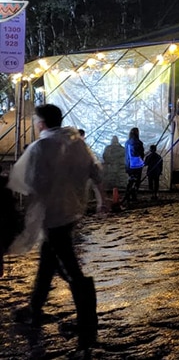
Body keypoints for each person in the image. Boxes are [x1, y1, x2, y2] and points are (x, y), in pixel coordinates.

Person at [9, 104, 107, 352]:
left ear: (41, 123)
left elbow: (32, 182)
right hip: (71, 212)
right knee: (48, 262)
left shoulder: (41, 147)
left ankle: (87, 323)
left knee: (69, 269)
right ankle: (35, 307)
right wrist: (101, 200)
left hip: (53, 215)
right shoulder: (76, 143)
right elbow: (95, 172)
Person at [125, 127, 144, 203]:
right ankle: (133, 195)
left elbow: (126, 155)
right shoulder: (139, 142)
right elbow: (141, 153)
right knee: (137, 181)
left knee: (130, 180)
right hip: (138, 165)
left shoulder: (127, 142)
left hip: (129, 165)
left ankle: (128, 195)